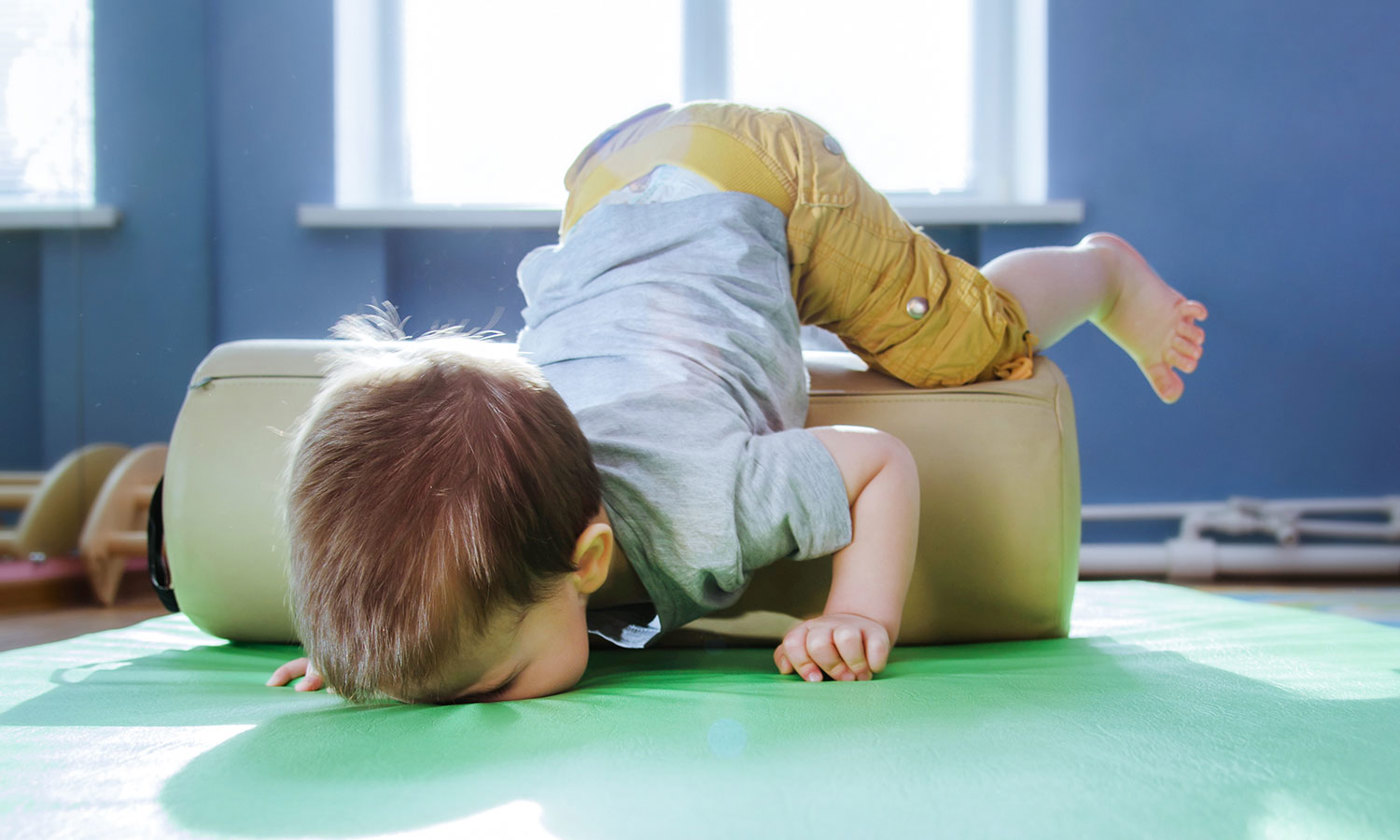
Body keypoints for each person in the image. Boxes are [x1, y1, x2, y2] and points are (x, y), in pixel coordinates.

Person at [267, 102, 1207, 704]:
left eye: (487, 686)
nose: (463, 707)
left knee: (965, 341)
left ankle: (1103, 275)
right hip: (605, 190)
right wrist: (384, 657)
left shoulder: (703, 503)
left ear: (589, 557)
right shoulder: (515, 469)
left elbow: (881, 463)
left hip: (765, 181)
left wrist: (862, 612)